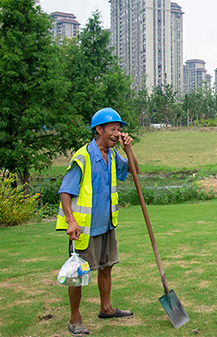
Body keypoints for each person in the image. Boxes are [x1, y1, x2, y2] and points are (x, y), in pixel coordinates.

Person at [56, 107, 139, 337]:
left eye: (119, 129)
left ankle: (106, 308)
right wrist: (71, 221)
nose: (117, 133)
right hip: (84, 228)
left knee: (107, 267)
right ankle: (75, 319)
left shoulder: (113, 155)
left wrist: (128, 149)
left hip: (107, 224)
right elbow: (65, 192)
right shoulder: (83, 156)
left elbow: (134, 170)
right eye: (113, 129)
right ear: (99, 130)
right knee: (78, 273)